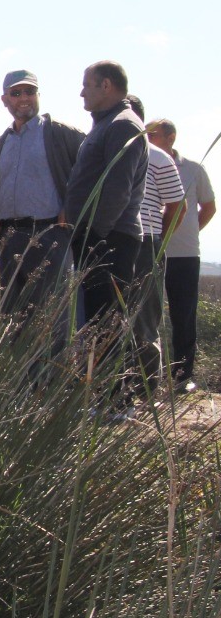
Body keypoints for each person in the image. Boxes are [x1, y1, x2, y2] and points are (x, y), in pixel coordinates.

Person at [62, 61, 147, 371]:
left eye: (87, 84)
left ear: (106, 85)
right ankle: (100, 396)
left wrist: (94, 234)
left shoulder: (123, 124)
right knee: (95, 321)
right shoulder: (106, 123)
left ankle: (113, 401)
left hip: (109, 240)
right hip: (97, 237)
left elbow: (117, 189)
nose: (81, 92)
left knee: (105, 322)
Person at [0, 70, 83, 324]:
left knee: (49, 322)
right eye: (16, 93)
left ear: (38, 95)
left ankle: (51, 366)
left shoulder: (61, 133)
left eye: (30, 91)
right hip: (10, 238)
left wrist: (72, 208)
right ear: (5, 100)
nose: (23, 98)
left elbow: (91, 173)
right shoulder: (2, 141)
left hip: (50, 236)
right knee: (12, 320)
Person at [147, 119, 216, 393]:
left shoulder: (194, 169)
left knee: (184, 315)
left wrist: (189, 231)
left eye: (153, 135)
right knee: (147, 317)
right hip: (149, 251)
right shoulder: (145, 163)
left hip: (185, 254)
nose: (148, 139)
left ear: (170, 138)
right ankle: (146, 379)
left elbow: (209, 207)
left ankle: (182, 378)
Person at [126, 96, 184, 390]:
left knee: (145, 320)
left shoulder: (158, 158)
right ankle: (114, 386)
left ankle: (147, 387)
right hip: (111, 243)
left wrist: (157, 239)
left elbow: (178, 207)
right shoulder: (98, 152)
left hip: (146, 243)